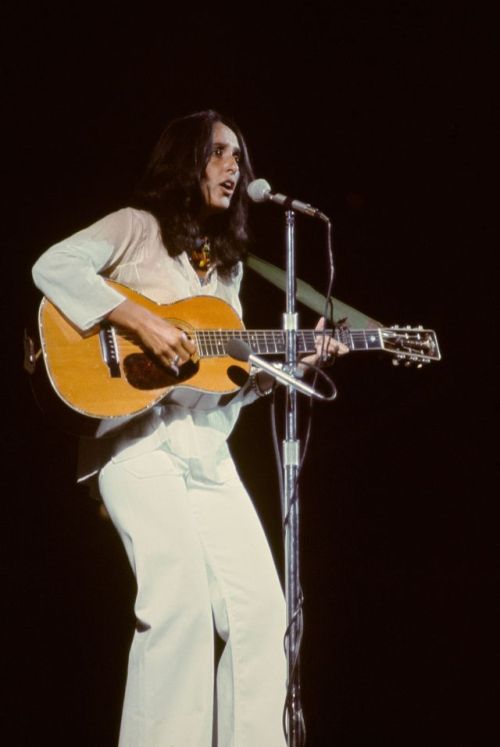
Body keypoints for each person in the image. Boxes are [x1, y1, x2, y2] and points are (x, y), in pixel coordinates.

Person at [32, 109, 348, 747]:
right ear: (185, 160)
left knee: (263, 613)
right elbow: (54, 266)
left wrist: (285, 368)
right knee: (178, 607)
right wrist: (141, 321)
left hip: (204, 452)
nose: (234, 166)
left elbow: (215, 390)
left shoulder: (227, 273)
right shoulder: (135, 229)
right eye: (218, 152)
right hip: (135, 442)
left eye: (240, 156)